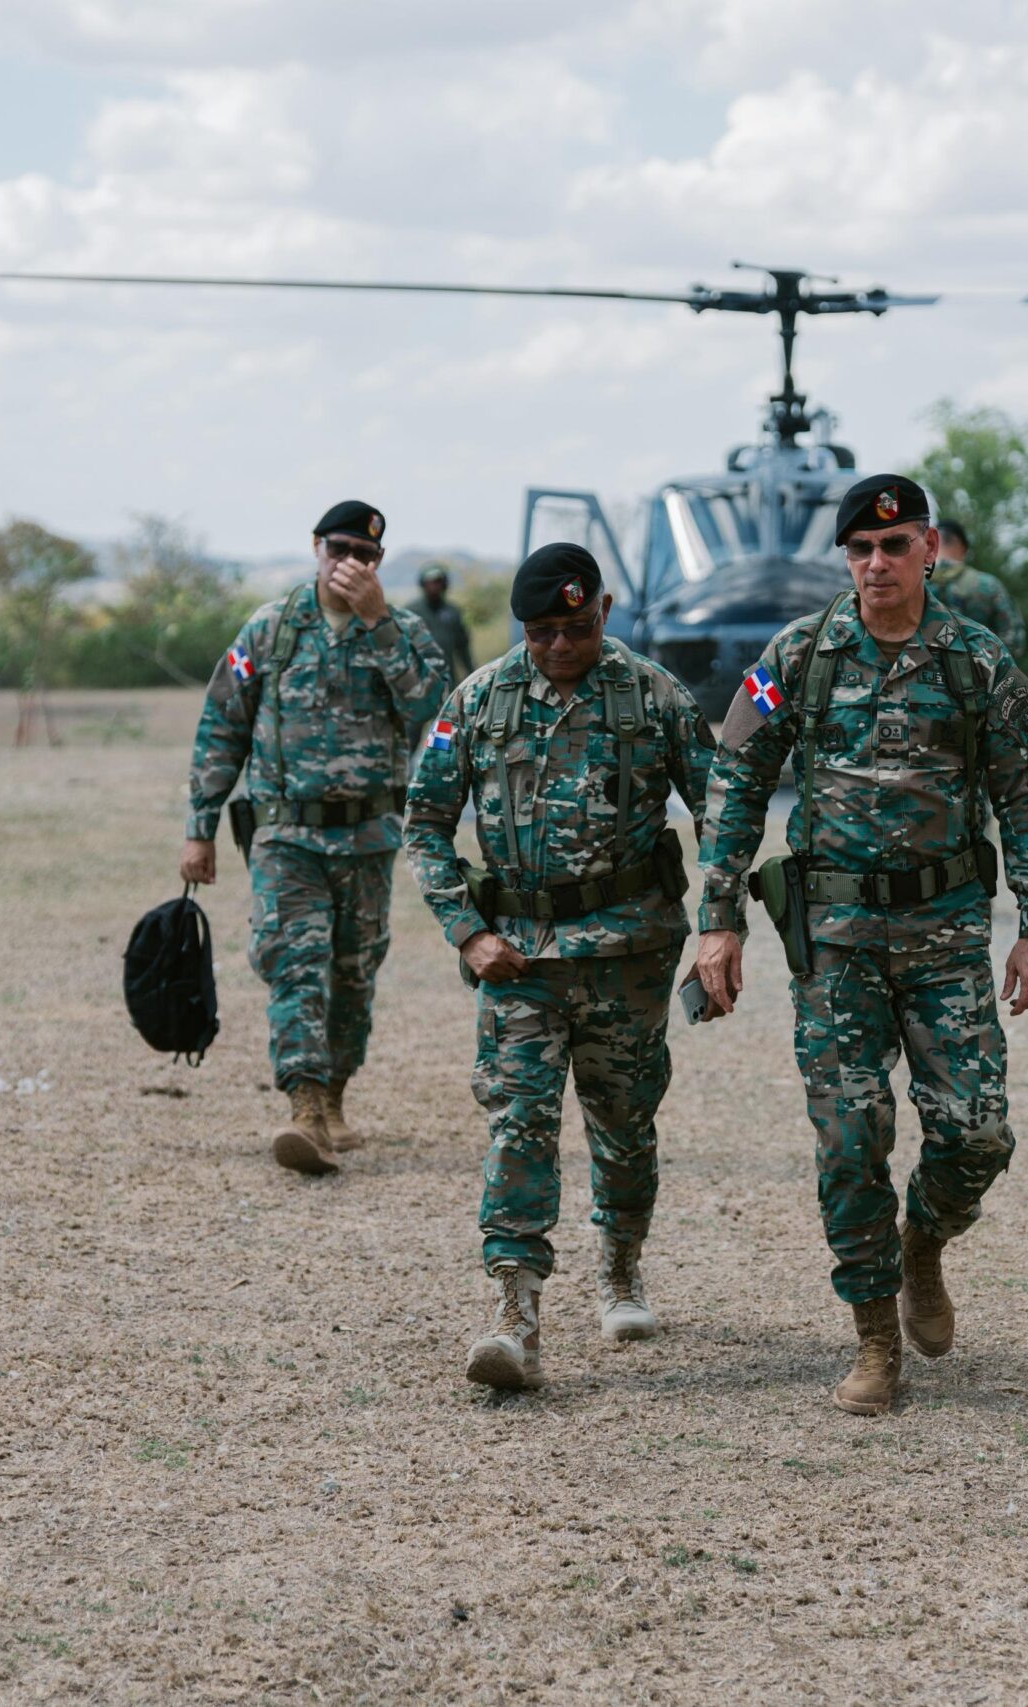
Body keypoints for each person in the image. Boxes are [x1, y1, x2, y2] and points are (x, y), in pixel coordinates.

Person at [695, 474, 1028, 1417]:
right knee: (851, 1139)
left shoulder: (975, 662)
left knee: (977, 1131)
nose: (876, 564)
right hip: (837, 942)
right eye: (860, 549)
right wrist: (720, 915)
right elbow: (737, 774)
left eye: (895, 547)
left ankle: (923, 1244)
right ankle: (872, 1338)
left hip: (945, 937)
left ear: (929, 550)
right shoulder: (802, 654)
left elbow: (1027, 788)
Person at [404, 543, 716, 1390]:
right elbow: (425, 823)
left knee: (623, 1123)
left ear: (605, 611)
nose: (560, 647)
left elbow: (718, 804)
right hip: (518, 959)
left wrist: (722, 925)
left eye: (577, 628)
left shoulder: (653, 694)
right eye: (542, 632)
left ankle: (620, 1262)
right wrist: (468, 932)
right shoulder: (479, 700)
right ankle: (515, 1307)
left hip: (629, 952)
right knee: (520, 1120)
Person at [180, 500, 448, 1175]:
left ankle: (333, 1096)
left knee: (353, 975)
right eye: (339, 549)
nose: (350, 564)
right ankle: (303, 1109)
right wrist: (200, 828)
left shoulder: (401, 630)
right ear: (315, 547)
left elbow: (432, 709)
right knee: (297, 963)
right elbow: (222, 725)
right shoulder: (272, 629)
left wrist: (378, 623)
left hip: (368, 838)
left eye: (366, 555)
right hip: (285, 837)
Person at [930, 519, 1026, 658]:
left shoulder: (913, 584)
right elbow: (1014, 642)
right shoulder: (988, 585)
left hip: (921, 676)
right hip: (978, 675)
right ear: (963, 548)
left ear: (931, 544)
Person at [418, 563, 477, 688]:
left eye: (438, 581)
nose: (434, 586)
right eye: (430, 582)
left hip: (447, 680)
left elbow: (463, 648)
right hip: (419, 681)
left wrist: (473, 675)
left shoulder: (453, 612)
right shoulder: (412, 612)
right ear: (423, 584)